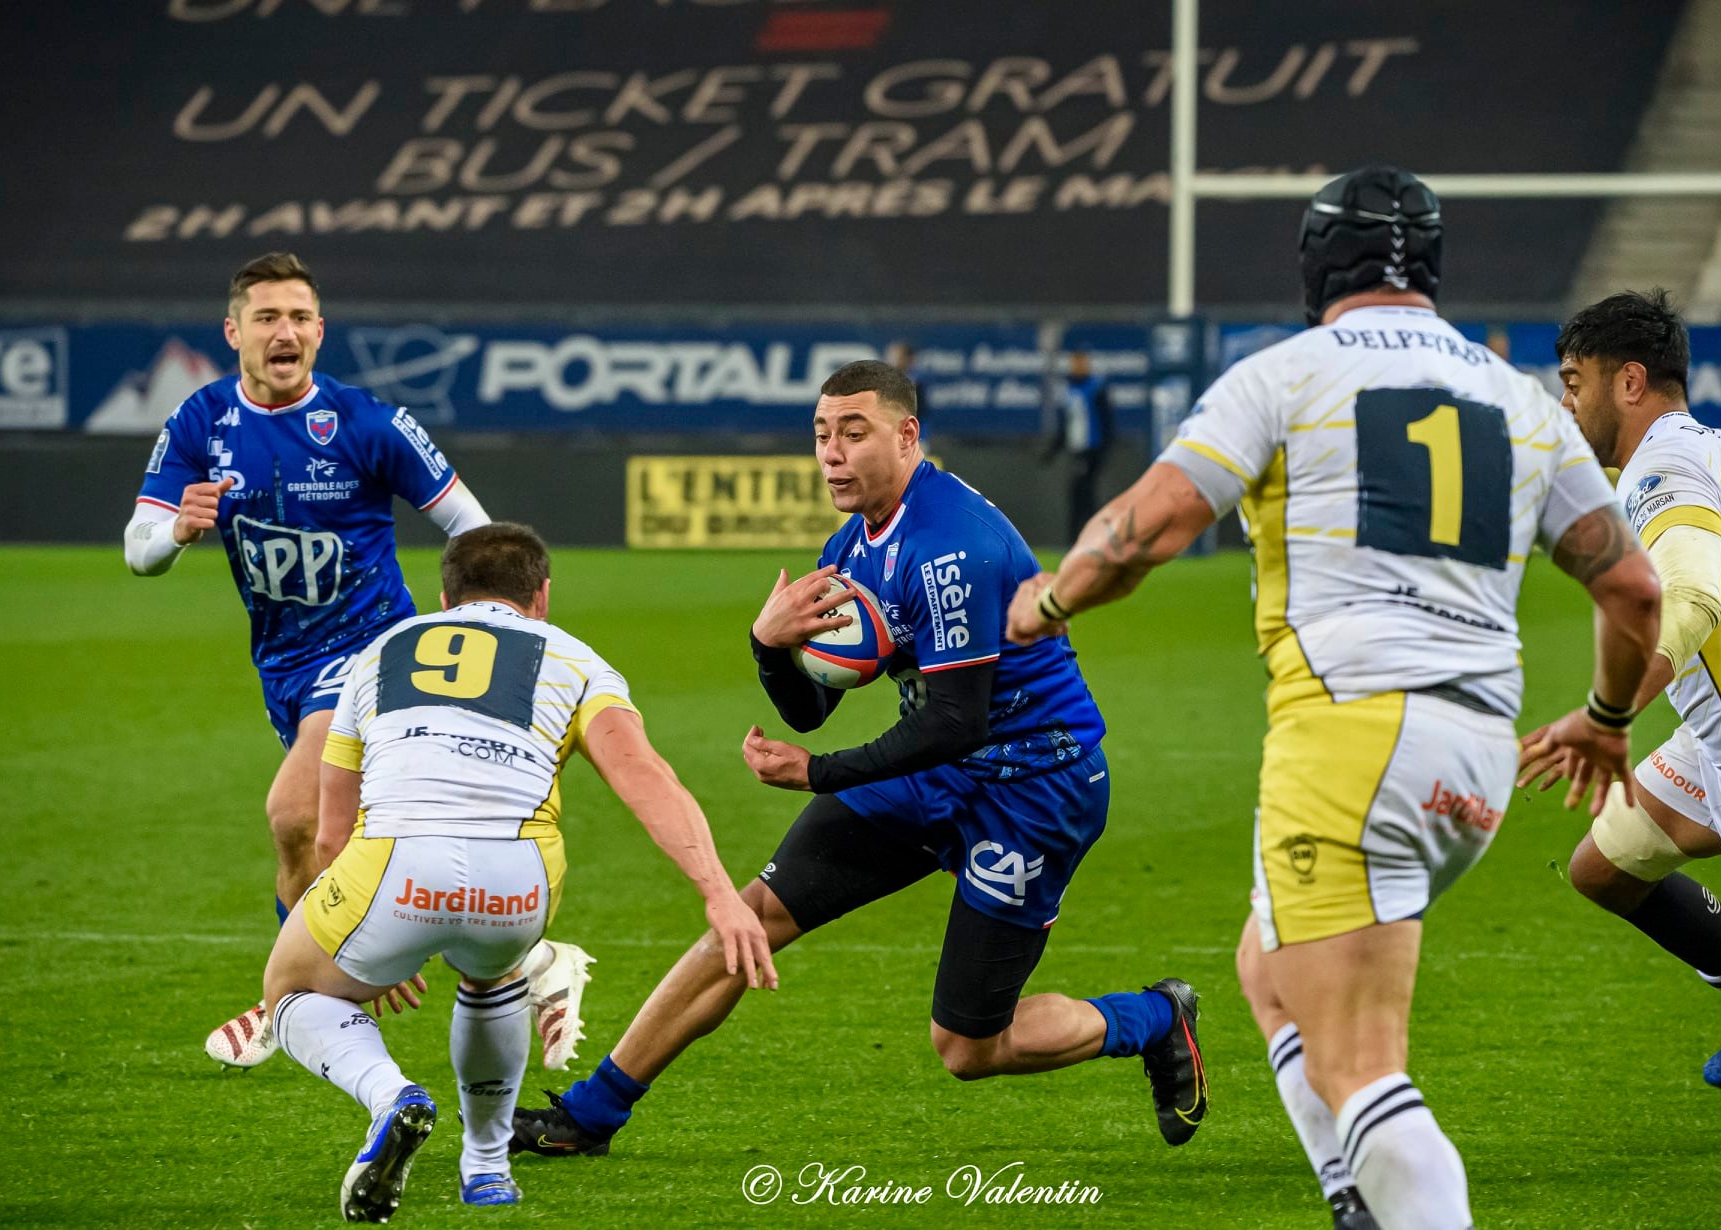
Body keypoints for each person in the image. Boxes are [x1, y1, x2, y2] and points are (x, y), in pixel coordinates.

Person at [1005, 167, 1662, 1230]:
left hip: (1354, 738)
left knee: (1363, 1065)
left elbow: (1146, 530)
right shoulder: (1519, 399)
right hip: (1477, 755)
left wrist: (1042, 605)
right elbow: (1634, 589)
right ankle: (1355, 1202)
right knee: (1264, 964)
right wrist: (1607, 716)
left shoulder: (1287, 374)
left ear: (1317, 264)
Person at [510, 359, 1208, 1160]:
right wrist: (767, 646)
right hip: (935, 771)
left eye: (854, 432)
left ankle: (1157, 1018)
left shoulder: (952, 546)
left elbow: (955, 721)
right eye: (821, 434)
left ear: (908, 436)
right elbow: (812, 703)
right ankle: (590, 1115)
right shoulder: (852, 543)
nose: (832, 453)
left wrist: (815, 771)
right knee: (753, 917)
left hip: (1033, 787)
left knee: (969, 1047)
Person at [125, 252, 595, 1071]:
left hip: (374, 655)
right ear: (234, 332)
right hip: (284, 666)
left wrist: (486, 627)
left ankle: (291, 998)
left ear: (320, 331)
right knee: (373, 845)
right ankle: (531, 966)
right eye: (268, 317)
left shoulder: (366, 421)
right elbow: (139, 551)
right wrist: (178, 531)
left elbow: (474, 530)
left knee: (292, 815)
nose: (287, 331)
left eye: (301, 317)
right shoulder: (202, 421)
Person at [262, 523, 775, 1220]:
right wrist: (719, 893)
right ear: (542, 596)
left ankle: (391, 1096)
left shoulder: (378, 653)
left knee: (290, 990)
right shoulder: (577, 659)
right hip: (518, 879)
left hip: (390, 865)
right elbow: (645, 778)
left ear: (445, 597)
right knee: (493, 973)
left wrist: (375, 940)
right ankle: (487, 1165)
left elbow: (329, 831)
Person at [1524, 288, 1721, 1088]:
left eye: (1574, 380)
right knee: (1605, 866)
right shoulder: (1702, 445)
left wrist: (1606, 715)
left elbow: (1690, 602)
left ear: (1628, 381)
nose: (1567, 401)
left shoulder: (1665, 462)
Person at [1045, 350, 1116, 543]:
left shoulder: (1096, 387)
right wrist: (1053, 451)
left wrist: (1103, 450)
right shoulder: (1069, 388)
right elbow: (1066, 425)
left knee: (1086, 494)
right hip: (1076, 451)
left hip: (1091, 450)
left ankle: (1091, 539)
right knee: (1077, 495)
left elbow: (1107, 422)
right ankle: (1078, 540)